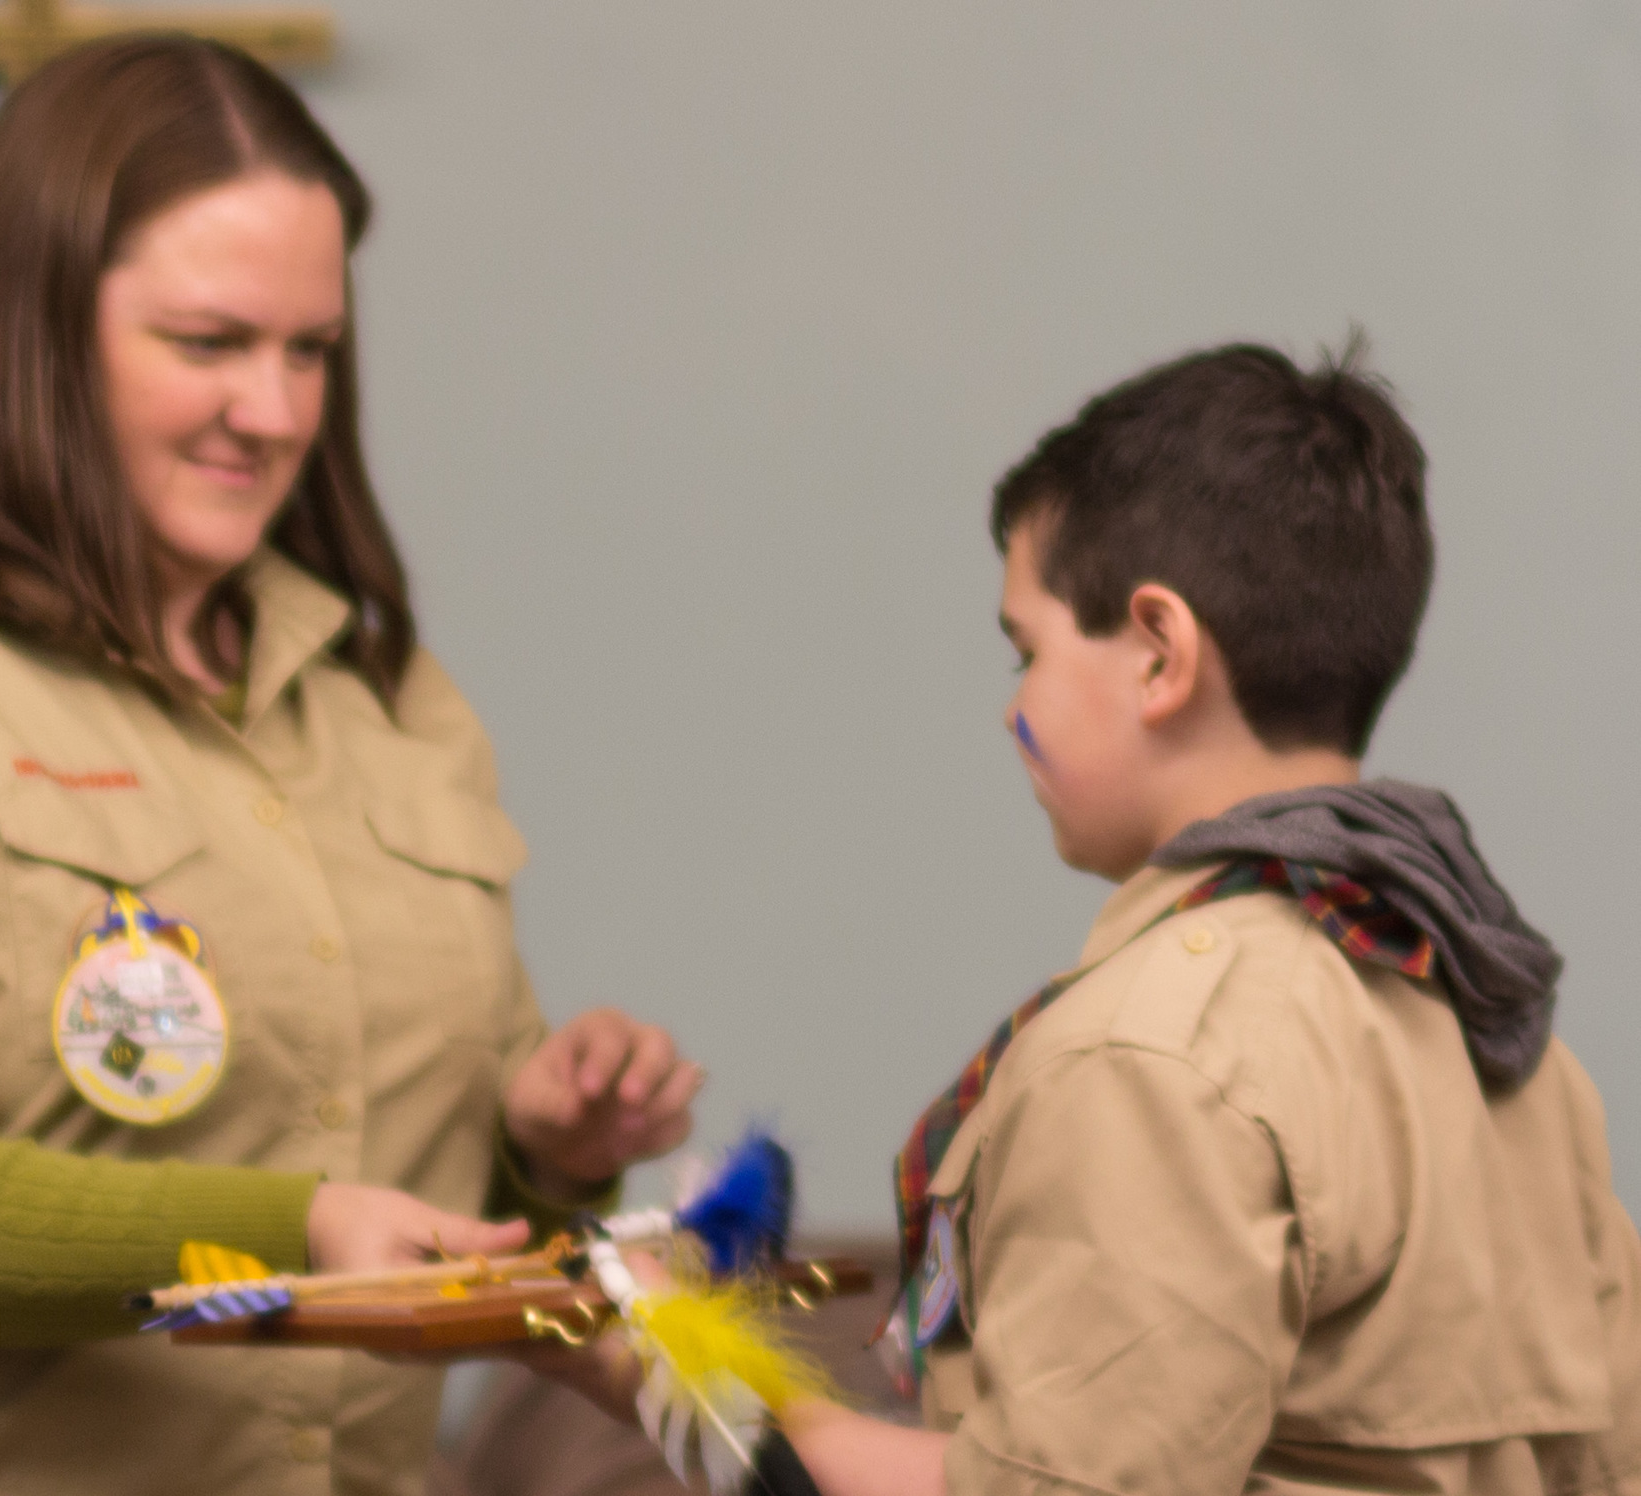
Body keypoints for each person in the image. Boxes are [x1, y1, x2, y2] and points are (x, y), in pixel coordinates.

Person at [0, 35, 701, 1496]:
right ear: (30, 332)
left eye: (309, 350)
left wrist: (546, 1152)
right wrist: (291, 1239)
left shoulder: (380, 696)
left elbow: (383, 1194)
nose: (277, 411)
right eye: (209, 344)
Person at [554, 341, 1641, 1496]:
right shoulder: (1502, 1037)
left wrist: (655, 1353)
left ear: (1160, 654)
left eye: (1025, 651)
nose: (1011, 709)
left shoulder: (1151, 1058)